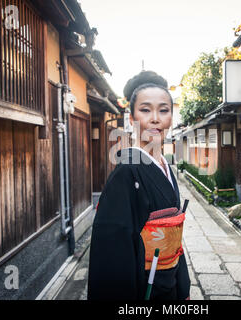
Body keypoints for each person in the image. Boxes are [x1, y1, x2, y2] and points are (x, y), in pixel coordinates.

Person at [87, 71, 190, 300]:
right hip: (145, 292)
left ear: (171, 117)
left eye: (163, 110)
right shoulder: (125, 174)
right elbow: (112, 259)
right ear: (131, 119)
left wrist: (182, 287)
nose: (155, 118)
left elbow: (176, 246)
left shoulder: (165, 167)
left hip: (169, 286)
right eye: (145, 110)